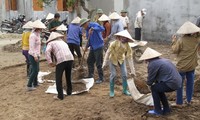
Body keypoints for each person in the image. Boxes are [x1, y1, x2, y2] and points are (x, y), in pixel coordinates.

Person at [139, 47, 182, 115]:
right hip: (178, 82)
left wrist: (147, 85)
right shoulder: (164, 60)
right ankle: (166, 109)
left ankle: (157, 110)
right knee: (159, 88)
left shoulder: (152, 64)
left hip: (171, 83)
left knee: (154, 88)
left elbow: (150, 79)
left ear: (147, 58)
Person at [171, 21, 200, 106]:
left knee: (180, 84)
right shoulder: (196, 40)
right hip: (192, 66)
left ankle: (179, 102)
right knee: (190, 83)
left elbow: (174, 50)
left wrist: (173, 41)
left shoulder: (181, 40)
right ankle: (189, 100)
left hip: (182, 66)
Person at [102, 30, 136, 97]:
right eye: (122, 37)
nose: (123, 38)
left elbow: (129, 58)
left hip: (121, 59)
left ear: (127, 39)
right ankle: (111, 91)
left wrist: (133, 70)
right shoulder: (113, 43)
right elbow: (108, 52)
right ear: (119, 37)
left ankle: (125, 90)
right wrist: (104, 62)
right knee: (113, 74)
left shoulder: (127, 46)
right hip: (112, 59)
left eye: (125, 38)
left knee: (124, 75)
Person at [45, 32, 74, 100]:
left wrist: (50, 62)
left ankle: (60, 96)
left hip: (61, 59)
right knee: (68, 76)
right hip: (70, 58)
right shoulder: (63, 42)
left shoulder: (51, 43)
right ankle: (69, 92)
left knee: (58, 78)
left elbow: (47, 51)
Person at [80, 18, 105, 84]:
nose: (83, 27)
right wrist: (86, 46)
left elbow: (102, 29)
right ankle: (90, 75)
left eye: (83, 25)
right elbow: (89, 40)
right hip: (93, 47)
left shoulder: (94, 25)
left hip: (98, 46)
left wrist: (93, 29)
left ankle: (101, 78)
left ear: (86, 23)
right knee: (89, 61)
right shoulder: (86, 30)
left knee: (98, 63)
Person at [27, 20, 46, 91]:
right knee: (35, 70)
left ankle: (35, 82)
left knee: (36, 69)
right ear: (38, 28)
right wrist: (35, 55)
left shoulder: (37, 35)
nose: (42, 30)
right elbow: (31, 47)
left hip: (36, 54)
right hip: (32, 55)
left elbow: (37, 44)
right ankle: (29, 85)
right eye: (41, 28)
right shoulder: (33, 36)